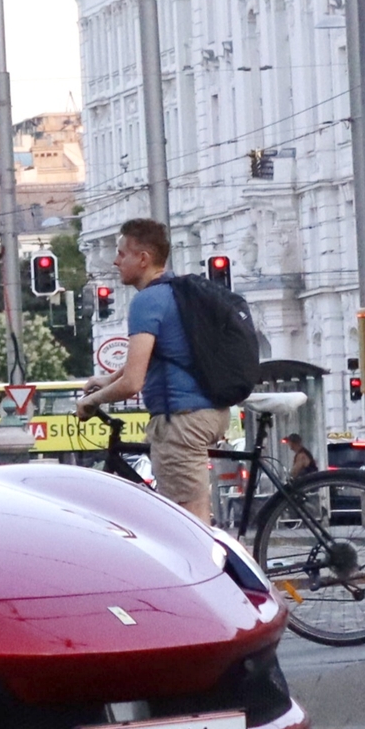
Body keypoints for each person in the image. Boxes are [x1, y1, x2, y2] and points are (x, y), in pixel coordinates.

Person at [76, 217, 228, 523]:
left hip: (182, 421)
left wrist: (91, 401)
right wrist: (108, 378)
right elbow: (159, 355)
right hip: (208, 412)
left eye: (121, 254)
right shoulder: (175, 292)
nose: (116, 261)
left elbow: (133, 382)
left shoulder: (147, 302)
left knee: (188, 523)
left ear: (143, 259)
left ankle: (209, 570)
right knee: (191, 514)